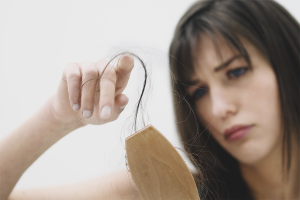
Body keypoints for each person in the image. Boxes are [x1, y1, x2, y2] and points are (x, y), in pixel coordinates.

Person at [0, 0, 299, 199]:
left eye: (236, 72)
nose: (220, 109)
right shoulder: (165, 189)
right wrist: (56, 119)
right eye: (199, 92)